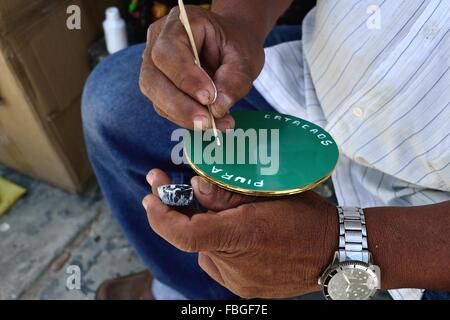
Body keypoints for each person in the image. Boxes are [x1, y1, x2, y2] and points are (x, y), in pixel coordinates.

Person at [82, 0, 450, 300]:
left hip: (430, 209)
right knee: (114, 100)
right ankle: (194, 290)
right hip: (316, 80)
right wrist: (238, 20)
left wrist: (345, 245)